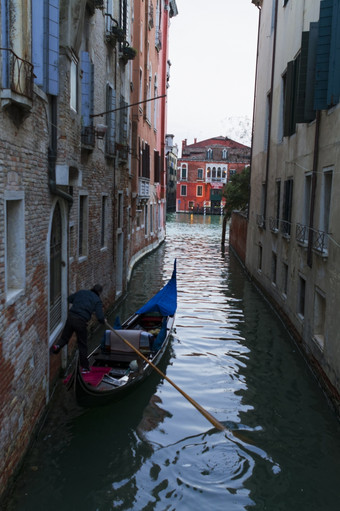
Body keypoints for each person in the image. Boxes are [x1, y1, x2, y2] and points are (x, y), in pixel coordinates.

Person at [51, 284, 105, 371]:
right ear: (99, 292)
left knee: (64, 338)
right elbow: (100, 317)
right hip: (81, 322)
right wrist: (103, 321)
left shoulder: (81, 292)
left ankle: (57, 346)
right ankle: (85, 368)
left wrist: (80, 303)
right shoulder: (97, 300)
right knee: (82, 345)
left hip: (71, 318)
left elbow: (70, 299)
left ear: (92, 288)